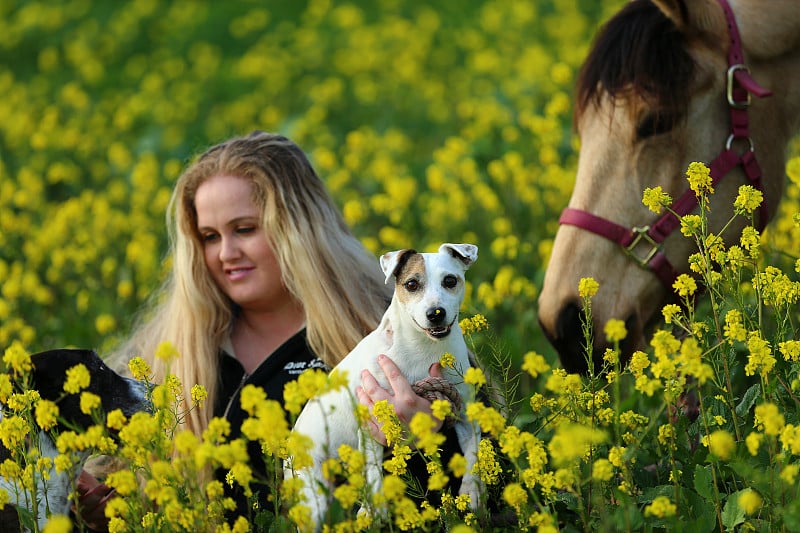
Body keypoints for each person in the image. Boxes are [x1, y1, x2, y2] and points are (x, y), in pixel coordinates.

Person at [76, 131, 449, 528]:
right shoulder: (171, 355)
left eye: (245, 229)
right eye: (209, 237)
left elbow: (478, 481)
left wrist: (429, 439)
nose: (225, 254)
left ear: (297, 230)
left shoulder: (395, 331)